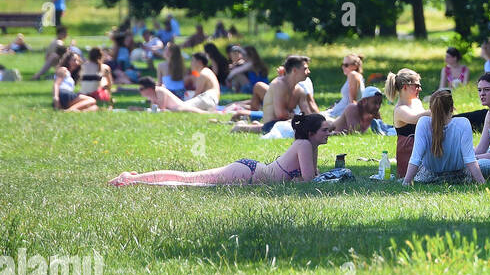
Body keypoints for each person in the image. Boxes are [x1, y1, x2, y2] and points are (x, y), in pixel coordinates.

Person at [111, 113, 328, 186]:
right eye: (325, 130)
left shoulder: (309, 145)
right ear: (311, 133)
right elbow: (310, 181)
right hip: (248, 173)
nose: (329, 133)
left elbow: (311, 177)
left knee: (189, 180)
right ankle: (130, 181)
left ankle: (134, 179)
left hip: (250, 171)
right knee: (189, 181)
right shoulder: (304, 145)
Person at [402, 89, 487, 185]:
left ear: (431, 108)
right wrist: (482, 182)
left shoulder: (423, 123)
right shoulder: (463, 123)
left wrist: (406, 182)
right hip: (459, 176)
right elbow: (470, 159)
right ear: (451, 109)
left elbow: (416, 158)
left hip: (429, 177)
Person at [384, 68, 425, 178]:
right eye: (417, 86)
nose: (420, 89)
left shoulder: (417, 102)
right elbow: (416, 118)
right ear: (405, 86)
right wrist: (437, 108)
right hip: (409, 163)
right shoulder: (400, 110)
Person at [138, 75, 225, 113]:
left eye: (141, 89)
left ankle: (216, 112)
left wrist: (142, 110)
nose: (140, 91)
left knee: (201, 112)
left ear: (149, 88)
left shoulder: (159, 91)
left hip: (183, 107)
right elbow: (154, 110)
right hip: (181, 108)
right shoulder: (153, 95)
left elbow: (162, 109)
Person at [326, 53, 365, 118]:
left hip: (341, 113)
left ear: (355, 66)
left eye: (346, 65)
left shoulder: (353, 75)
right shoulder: (356, 76)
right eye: (342, 65)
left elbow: (353, 101)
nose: (343, 67)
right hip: (338, 111)